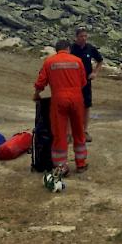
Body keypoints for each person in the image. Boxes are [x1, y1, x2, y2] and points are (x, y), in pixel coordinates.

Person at [33, 39, 88, 175]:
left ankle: (61, 167)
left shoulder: (49, 62)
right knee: (79, 131)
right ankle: (81, 164)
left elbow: (41, 82)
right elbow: (83, 82)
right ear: (68, 48)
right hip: (76, 98)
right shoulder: (77, 61)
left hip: (59, 99)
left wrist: (37, 94)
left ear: (57, 50)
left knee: (59, 133)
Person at [70, 27, 103, 142]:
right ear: (76, 37)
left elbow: (100, 60)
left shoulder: (90, 48)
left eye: (85, 36)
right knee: (72, 106)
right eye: (81, 36)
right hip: (73, 82)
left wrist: (95, 72)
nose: (84, 38)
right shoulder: (71, 48)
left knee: (86, 106)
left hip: (86, 82)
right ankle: (70, 132)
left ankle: (84, 131)